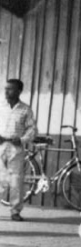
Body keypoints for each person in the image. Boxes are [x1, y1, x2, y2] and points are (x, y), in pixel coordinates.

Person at [0, 79, 36, 221]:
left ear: (19, 91)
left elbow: (32, 129)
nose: (7, 92)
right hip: (0, 146)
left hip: (16, 148)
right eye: (6, 89)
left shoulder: (25, 109)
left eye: (10, 89)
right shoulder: (1, 106)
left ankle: (15, 211)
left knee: (16, 180)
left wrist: (21, 140)